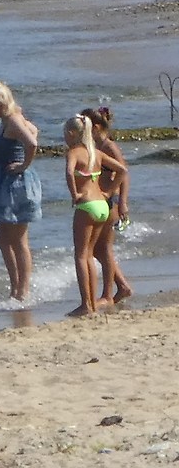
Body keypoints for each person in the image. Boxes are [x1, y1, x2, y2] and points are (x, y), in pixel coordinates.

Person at [0, 80, 43, 303]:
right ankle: (14, 287)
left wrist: (23, 165)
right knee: (3, 239)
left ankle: (22, 291)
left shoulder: (14, 119)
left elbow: (32, 143)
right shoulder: (10, 119)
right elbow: (34, 130)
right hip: (4, 184)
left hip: (16, 185)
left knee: (18, 240)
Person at [64, 114, 117, 315]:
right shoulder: (95, 153)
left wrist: (74, 194)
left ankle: (86, 304)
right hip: (102, 205)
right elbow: (122, 170)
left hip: (86, 205)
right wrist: (109, 192)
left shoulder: (74, 153)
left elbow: (69, 172)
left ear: (71, 133)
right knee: (89, 255)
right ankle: (92, 303)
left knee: (81, 255)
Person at [82, 106, 134, 307]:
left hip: (110, 201)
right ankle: (122, 286)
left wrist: (121, 201)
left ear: (95, 128)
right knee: (98, 249)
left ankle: (108, 293)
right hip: (100, 199)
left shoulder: (108, 146)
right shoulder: (95, 145)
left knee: (103, 248)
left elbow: (124, 173)